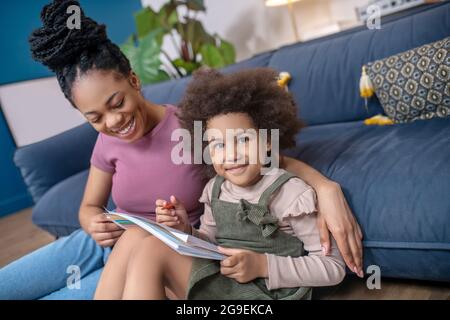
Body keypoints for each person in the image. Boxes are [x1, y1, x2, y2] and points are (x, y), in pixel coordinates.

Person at [0, 0, 363, 300]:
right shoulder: (106, 140)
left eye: (116, 103)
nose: (112, 123)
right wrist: (91, 222)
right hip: (104, 244)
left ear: (134, 81)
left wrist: (324, 186)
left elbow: (258, 158)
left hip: (164, 251)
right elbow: (89, 207)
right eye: (95, 117)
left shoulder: (189, 128)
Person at [109, 68, 345, 299]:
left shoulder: (291, 194)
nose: (230, 155)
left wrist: (263, 265)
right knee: (138, 239)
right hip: (225, 284)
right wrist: (186, 231)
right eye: (218, 145)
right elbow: (212, 243)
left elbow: (333, 268)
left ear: (268, 141)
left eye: (242, 140)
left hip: (265, 294)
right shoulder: (215, 189)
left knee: (152, 251)